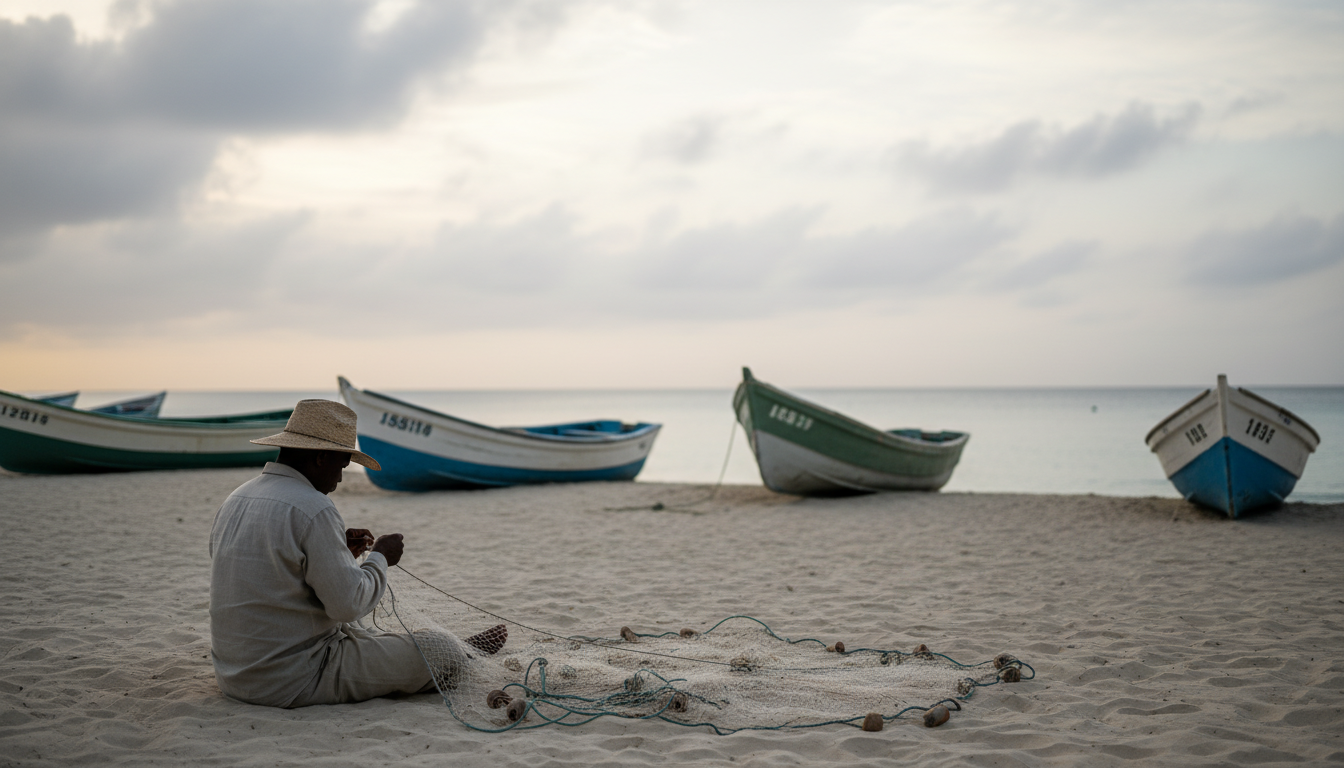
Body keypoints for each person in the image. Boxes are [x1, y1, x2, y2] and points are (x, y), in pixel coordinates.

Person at [208, 399, 505, 707]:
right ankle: (458, 652)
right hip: (292, 678)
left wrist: (342, 555)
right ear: (322, 457)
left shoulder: (236, 498)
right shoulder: (313, 507)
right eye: (343, 463)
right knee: (438, 647)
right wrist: (380, 557)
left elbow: (275, 580)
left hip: (235, 675)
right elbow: (347, 605)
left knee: (364, 632)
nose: (342, 475)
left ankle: (448, 650)